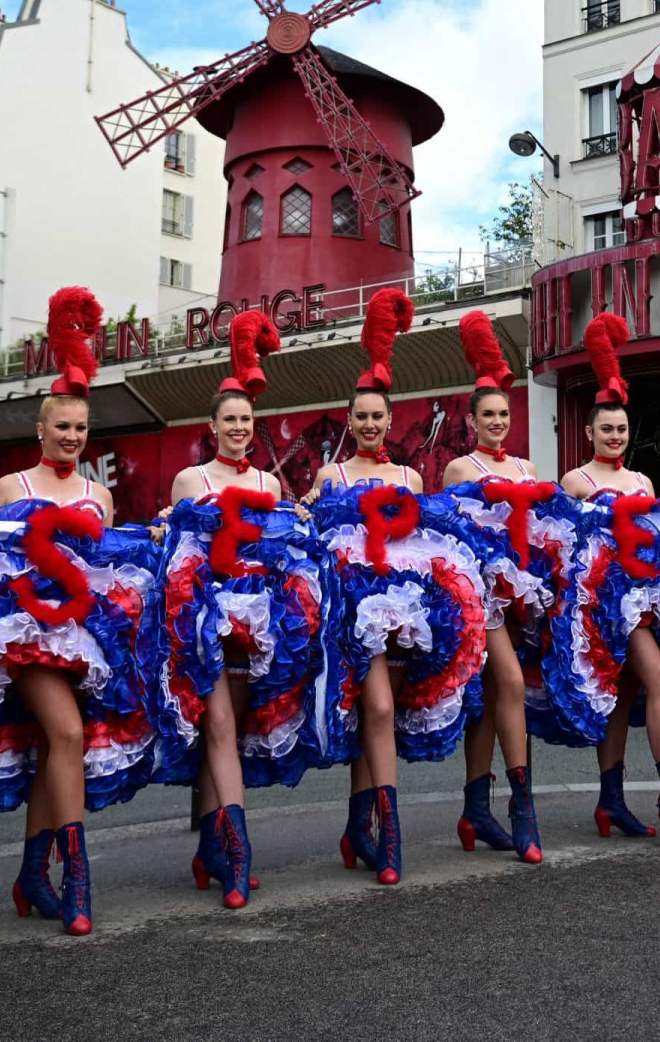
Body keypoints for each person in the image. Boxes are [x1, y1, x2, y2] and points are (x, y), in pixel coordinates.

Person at [0, 287, 141, 935]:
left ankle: (33, 872)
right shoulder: (12, 486)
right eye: (60, 426)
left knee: (54, 748)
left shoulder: (98, 493)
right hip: (28, 630)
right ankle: (75, 877)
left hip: (85, 634)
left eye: (80, 428)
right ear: (39, 429)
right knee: (65, 735)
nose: (70, 435)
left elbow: (111, 566)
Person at [306, 289, 486, 885]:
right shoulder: (329, 475)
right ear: (348, 419)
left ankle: (361, 825)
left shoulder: (410, 474)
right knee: (377, 708)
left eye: (378, 416)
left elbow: (430, 535)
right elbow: (306, 523)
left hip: (402, 610)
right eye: (359, 417)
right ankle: (387, 832)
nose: (368, 425)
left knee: (377, 716)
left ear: (390, 419)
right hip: (349, 612)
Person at [152, 310, 318, 908]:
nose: (240, 429)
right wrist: (168, 525)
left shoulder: (272, 488)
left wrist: (299, 519)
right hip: (204, 627)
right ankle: (238, 855)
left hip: (256, 627)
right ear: (213, 426)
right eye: (230, 420)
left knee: (232, 732)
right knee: (218, 726)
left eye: (247, 420)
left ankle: (210, 848)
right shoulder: (190, 480)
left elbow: (280, 552)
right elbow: (174, 554)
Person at [556, 313, 660, 849]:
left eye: (621, 429)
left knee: (628, 692)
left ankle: (610, 799)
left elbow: (659, 534)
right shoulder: (577, 480)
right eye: (606, 429)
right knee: (657, 681)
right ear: (589, 432)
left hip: (650, 598)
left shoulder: (642, 479)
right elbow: (569, 544)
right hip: (604, 606)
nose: (615, 436)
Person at [439, 311, 544, 865]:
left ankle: (474, 808)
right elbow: (448, 537)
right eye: (489, 415)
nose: (498, 422)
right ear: (473, 420)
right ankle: (521, 811)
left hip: (524, 600)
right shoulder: (459, 469)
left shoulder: (527, 468)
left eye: (505, 413)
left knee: (489, 704)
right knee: (507, 684)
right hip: (479, 598)